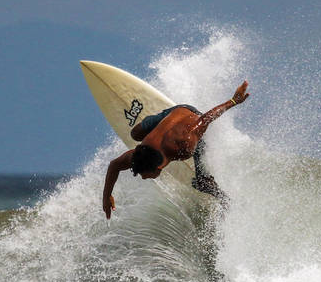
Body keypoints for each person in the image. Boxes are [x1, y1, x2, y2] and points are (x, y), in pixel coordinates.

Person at [102, 81, 249, 218]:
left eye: (145, 174)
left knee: (202, 183)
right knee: (135, 134)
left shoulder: (185, 145)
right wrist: (106, 196)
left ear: (159, 167)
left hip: (189, 114)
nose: (144, 177)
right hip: (168, 116)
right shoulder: (138, 153)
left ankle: (226, 200)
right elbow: (114, 166)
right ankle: (159, 123)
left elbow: (205, 119)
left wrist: (234, 101)